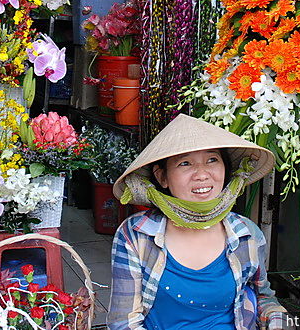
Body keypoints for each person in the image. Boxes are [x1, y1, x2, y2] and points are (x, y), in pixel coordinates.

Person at [108, 114, 288, 330]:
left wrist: (278, 319)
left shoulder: (246, 233)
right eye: (185, 163)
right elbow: (122, 322)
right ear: (162, 177)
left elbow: (263, 296)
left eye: (212, 160)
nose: (202, 175)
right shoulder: (136, 234)